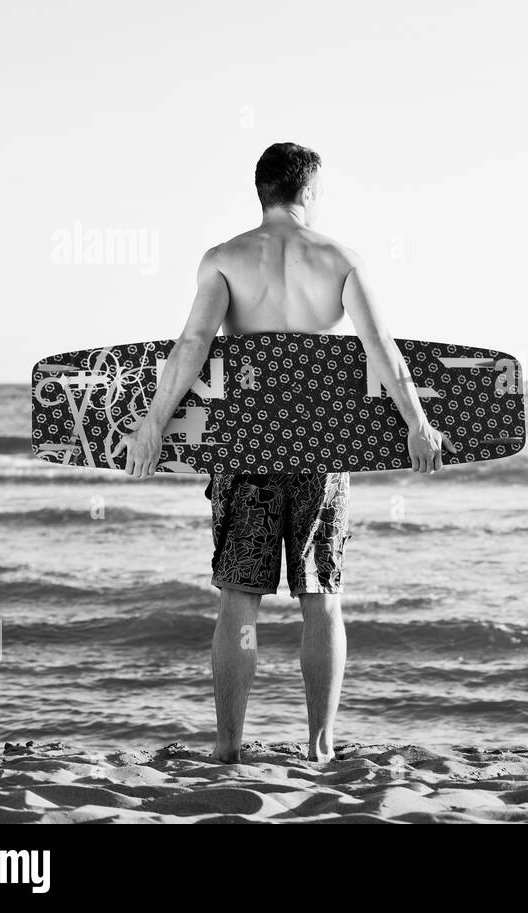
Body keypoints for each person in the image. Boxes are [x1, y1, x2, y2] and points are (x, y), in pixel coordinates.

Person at [114, 142, 453, 763]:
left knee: (238, 597)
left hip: (244, 447)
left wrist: (152, 425)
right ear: (311, 192)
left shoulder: (224, 259)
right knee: (322, 595)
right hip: (320, 447)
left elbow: (193, 344)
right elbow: (382, 350)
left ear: (260, 192)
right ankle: (321, 747)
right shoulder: (340, 259)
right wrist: (417, 424)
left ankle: (227, 747)